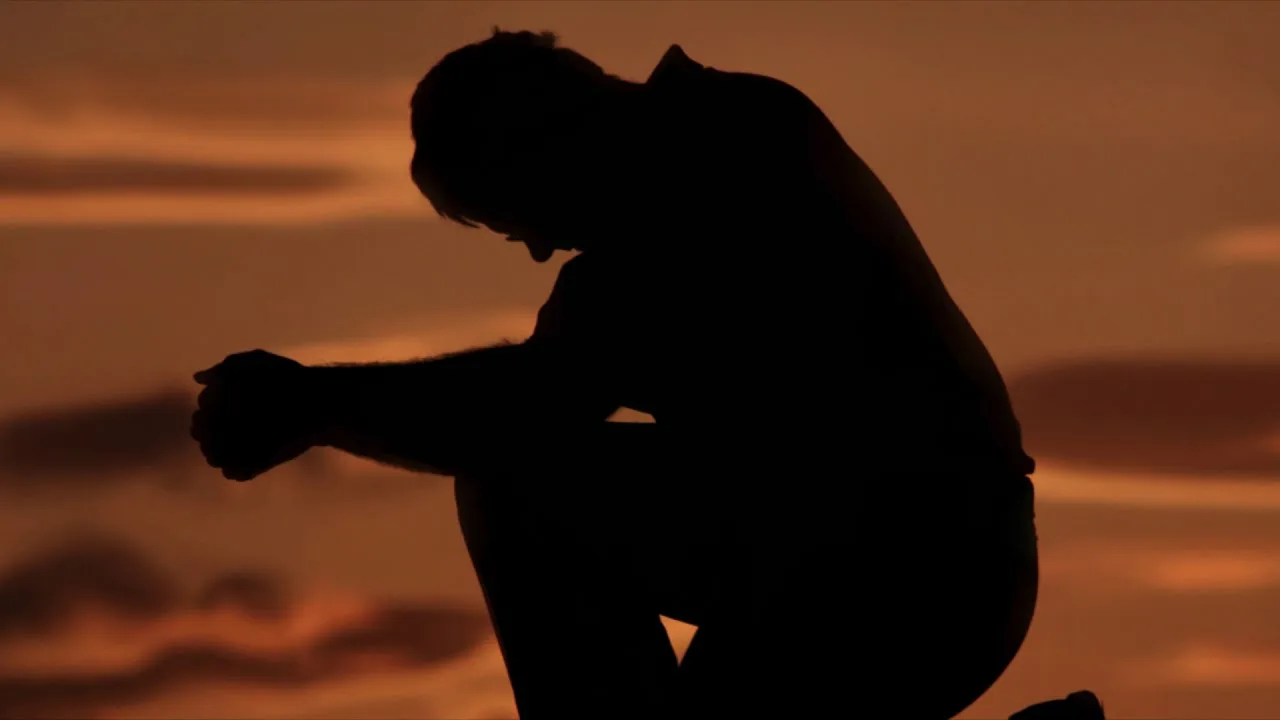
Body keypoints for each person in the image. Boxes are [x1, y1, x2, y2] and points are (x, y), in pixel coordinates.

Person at [191, 30, 1096, 719]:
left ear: (536, 142)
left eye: (511, 216)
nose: (537, 248)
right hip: (877, 564)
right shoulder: (733, 133)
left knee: (518, 489)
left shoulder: (714, 157)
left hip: (911, 571)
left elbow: (526, 410)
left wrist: (314, 404)